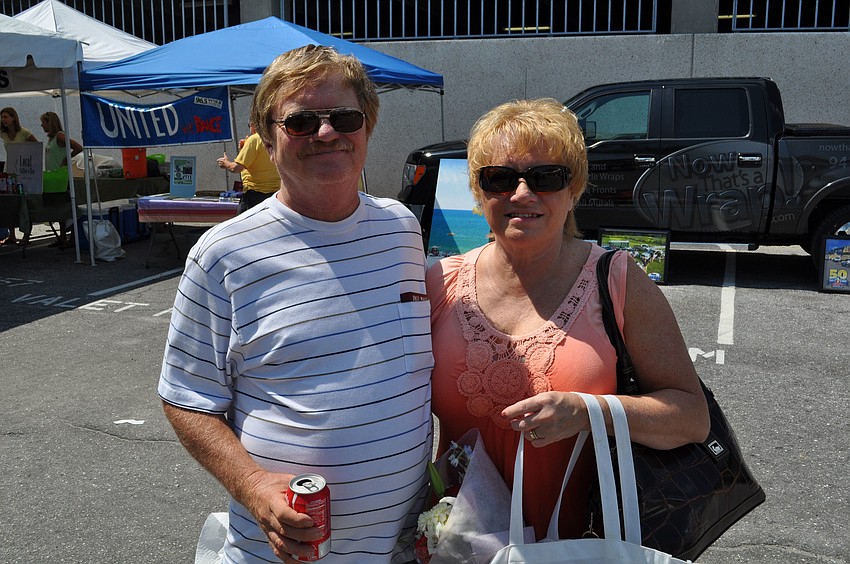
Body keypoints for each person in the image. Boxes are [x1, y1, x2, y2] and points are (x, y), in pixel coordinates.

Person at [158, 45, 433, 563]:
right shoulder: (223, 254)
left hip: (403, 550)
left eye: (344, 118)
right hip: (285, 553)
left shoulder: (401, 229)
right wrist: (253, 486)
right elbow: (187, 399)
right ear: (266, 138)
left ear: (367, 127)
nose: (326, 133)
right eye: (301, 121)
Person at [425, 98, 710, 541]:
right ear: (479, 193)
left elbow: (691, 417)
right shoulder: (440, 284)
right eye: (500, 178)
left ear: (574, 189)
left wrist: (588, 412)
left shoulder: (617, 281)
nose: (522, 194)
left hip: (576, 543)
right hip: (455, 543)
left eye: (546, 178)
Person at [39, 111, 83, 248]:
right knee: (57, 207)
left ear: (50, 123)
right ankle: (62, 236)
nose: (41, 125)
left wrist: (66, 159)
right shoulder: (51, 138)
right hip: (53, 176)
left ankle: (70, 237)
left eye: (43, 122)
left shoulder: (60, 136)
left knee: (64, 207)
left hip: (61, 176)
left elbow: (78, 147)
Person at [216, 121, 281, 212]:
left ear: (253, 124)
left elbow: (236, 168)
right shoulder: (276, 138)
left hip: (255, 195)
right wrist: (244, 148)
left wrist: (225, 163)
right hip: (276, 195)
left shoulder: (254, 140)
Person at [1, 107, 38, 245]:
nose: (3, 120)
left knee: (25, 202)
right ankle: (12, 234)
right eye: (1, 117)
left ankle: (26, 234)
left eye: (5, 117)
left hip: (23, 170)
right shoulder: (3, 133)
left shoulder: (24, 132)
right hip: (9, 169)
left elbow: (37, 147)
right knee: (9, 202)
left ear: (13, 118)